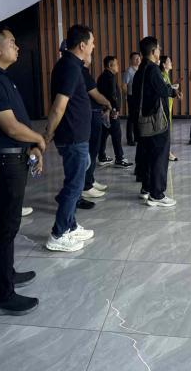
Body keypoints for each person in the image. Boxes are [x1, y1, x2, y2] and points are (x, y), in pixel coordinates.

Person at [0, 28, 45, 317]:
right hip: (4, 161)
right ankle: (2, 296)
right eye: (12, 42)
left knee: (8, 225)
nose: (17, 46)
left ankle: (7, 274)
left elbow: (17, 122)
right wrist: (38, 139)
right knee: (5, 226)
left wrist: (32, 146)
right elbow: (11, 127)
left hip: (13, 157)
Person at [44, 25, 95, 252]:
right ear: (82, 45)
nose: (93, 47)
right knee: (74, 186)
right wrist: (47, 134)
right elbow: (59, 106)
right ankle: (59, 233)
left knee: (76, 182)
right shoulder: (70, 67)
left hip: (76, 136)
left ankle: (71, 225)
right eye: (91, 43)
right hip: (73, 137)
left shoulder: (70, 64)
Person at [132, 36, 181, 207]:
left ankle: (146, 188)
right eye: (159, 49)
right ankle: (157, 194)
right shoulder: (153, 69)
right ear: (153, 52)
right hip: (156, 121)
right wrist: (173, 91)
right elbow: (162, 89)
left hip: (143, 121)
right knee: (160, 156)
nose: (160, 51)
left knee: (147, 155)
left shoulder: (140, 70)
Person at [81, 60, 112, 200]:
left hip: (94, 114)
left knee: (93, 150)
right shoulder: (80, 71)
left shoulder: (84, 72)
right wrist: (108, 103)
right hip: (90, 115)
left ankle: (90, 180)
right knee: (90, 150)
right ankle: (86, 186)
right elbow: (95, 94)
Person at [97, 56, 133, 168]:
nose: (118, 66)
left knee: (104, 134)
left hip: (104, 111)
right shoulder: (110, 77)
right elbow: (112, 95)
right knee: (116, 134)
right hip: (110, 111)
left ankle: (102, 156)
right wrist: (115, 109)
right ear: (110, 65)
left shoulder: (102, 76)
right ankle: (119, 158)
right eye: (116, 64)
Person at [159, 55, 179, 161]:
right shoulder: (162, 75)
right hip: (164, 108)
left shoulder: (166, 75)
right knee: (165, 132)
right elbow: (164, 90)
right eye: (169, 61)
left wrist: (173, 88)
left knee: (167, 131)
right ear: (163, 64)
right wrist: (172, 88)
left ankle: (167, 152)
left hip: (168, 107)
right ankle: (167, 153)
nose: (171, 63)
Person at [123, 52, 141, 146]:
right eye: (135, 58)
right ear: (131, 60)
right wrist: (127, 95)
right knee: (131, 118)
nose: (138, 60)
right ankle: (130, 139)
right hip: (132, 97)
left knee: (137, 118)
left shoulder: (140, 69)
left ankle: (137, 137)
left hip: (138, 97)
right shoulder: (129, 71)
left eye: (139, 58)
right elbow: (124, 85)